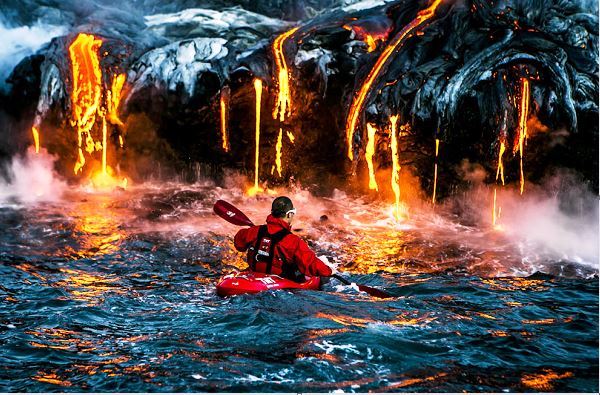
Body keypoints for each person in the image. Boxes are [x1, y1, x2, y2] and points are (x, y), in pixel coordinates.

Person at [234, 196, 336, 281]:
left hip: (252, 277)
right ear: (289, 214)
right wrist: (329, 271)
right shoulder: (293, 241)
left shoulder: (255, 231)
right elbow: (310, 263)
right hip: (278, 283)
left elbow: (238, 244)